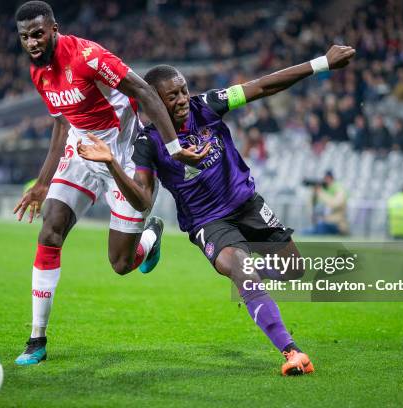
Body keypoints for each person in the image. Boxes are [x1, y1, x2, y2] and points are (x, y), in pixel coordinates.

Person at [78, 45, 356, 376]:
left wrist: (322, 63)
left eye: (183, 90)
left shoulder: (206, 106)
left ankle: (249, 282)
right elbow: (141, 199)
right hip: (207, 223)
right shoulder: (147, 143)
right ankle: (291, 351)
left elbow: (262, 86)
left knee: (293, 268)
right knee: (243, 273)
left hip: (248, 205)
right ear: (152, 102)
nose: (182, 99)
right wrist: (112, 164)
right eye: (172, 96)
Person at [12, 1, 210, 366]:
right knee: (50, 230)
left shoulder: (88, 56)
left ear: (54, 28)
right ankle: (36, 338)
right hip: (82, 149)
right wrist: (42, 183)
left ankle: (149, 238)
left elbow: (146, 92)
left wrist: (173, 147)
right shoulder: (38, 73)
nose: (32, 42)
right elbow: (61, 122)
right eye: (25, 37)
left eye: (38, 33)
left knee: (121, 264)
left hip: (122, 154)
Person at [304, 171, 349, 235]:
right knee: (305, 232)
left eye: (327, 178)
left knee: (318, 229)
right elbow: (311, 206)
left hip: (337, 225)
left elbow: (335, 204)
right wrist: (314, 193)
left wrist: (320, 192)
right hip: (322, 223)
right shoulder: (324, 189)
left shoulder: (339, 188)